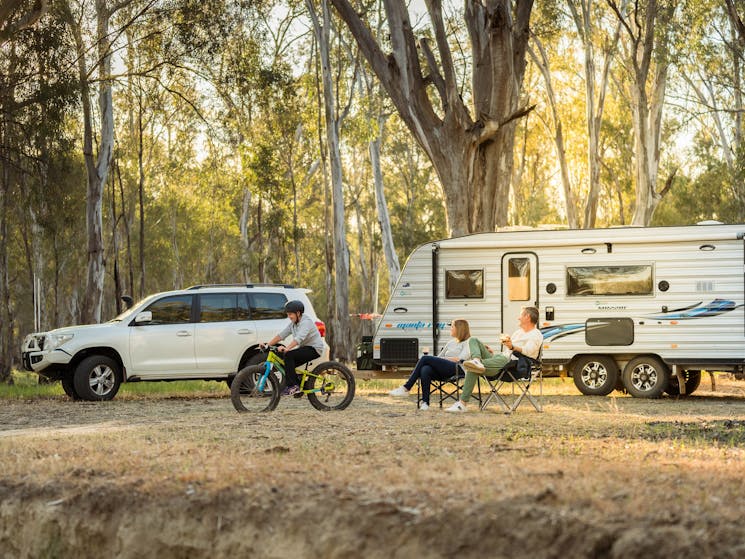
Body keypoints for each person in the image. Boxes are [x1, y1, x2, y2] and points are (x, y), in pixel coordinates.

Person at [446, 306, 543, 413]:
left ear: (527, 317)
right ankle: (477, 360)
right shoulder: (518, 332)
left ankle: (462, 404)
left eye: (520, 315)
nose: (518, 318)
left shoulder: (536, 334)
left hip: (512, 364)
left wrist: (511, 346)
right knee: (473, 340)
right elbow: (507, 352)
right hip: (501, 358)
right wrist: (494, 351)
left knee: (472, 367)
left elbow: (528, 351)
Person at [388, 319, 472, 410]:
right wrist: (438, 360)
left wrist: (440, 360)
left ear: (459, 329)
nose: (450, 329)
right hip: (444, 370)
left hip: (457, 369)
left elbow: (460, 359)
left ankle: (406, 388)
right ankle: (425, 403)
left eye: (452, 327)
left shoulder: (469, 342)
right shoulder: (451, 342)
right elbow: (439, 357)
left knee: (425, 358)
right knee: (425, 369)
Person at [261, 300, 325, 396]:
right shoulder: (293, 324)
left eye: (290, 314)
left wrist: (287, 348)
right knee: (282, 360)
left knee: (289, 355)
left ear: (298, 313)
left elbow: (299, 338)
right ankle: (299, 385)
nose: (289, 317)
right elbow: (281, 335)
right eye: (288, 314)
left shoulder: (306, 322)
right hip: (305, 348)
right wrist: (268, 345)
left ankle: (293, 386)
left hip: (315, 349)